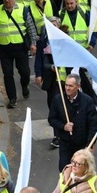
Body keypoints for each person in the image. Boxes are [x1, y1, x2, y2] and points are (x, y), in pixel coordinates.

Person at [0, 0, 38, 109]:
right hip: (5, 48)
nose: (7, 0)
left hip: (20, 47)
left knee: (25, 72)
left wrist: (33, 43)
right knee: (7, 74)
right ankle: (12, 98)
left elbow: (31, 28)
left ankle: (24, 86)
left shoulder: (23, 9)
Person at [47, 74, 97, 171]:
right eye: (66, 85)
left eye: (70, 86)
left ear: (78, 86)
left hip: (82, 145)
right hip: (66, 143)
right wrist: (63, 126)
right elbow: (52, 119)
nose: (67, 88)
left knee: (81, 171)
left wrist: (90, 145)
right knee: (64, 170)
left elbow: (94, 125)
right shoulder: (58, 100)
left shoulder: (87, 101)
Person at [34, 16, 67, 149]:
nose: (52, 27)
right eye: (50, 25)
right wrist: (38, 73)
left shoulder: (64, 40)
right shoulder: (44, 41)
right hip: (50, 79)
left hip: (63, 80)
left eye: (55, 24)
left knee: (60, 106)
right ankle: (58, 134)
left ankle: (60, 135)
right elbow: (39, 58)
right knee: (53, 105)